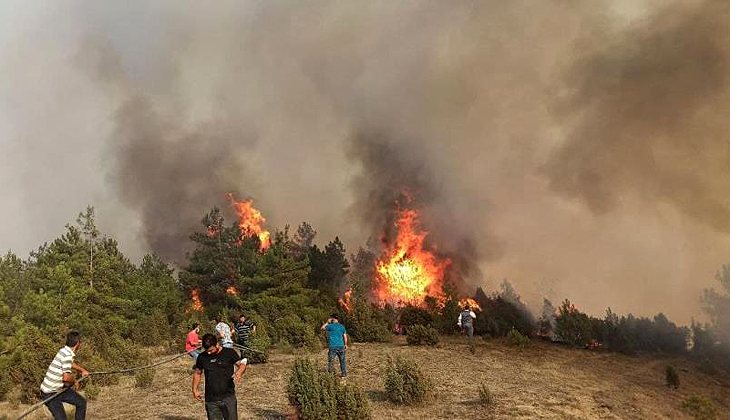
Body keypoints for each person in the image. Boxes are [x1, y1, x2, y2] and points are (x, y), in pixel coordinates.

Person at [192, 333, 247, 420]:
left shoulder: (229, 353)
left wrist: (239, 372)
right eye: (207, 350)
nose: (209, 353)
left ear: (217, 344)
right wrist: (195, 390)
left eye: (211, 350)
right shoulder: (202, 357)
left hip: (228, 397)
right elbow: (197, 373)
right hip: (211, 399)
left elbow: (242, 364)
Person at [39, 330, 90, 420]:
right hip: (50, 394)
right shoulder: (67, 355)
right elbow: (66, 378)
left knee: (81, 402)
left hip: (59, 389)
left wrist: (82, 370)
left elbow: (69, 364)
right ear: (78, 343)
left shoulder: (63, 350)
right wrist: (75, 381)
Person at [321, 313, 348, 378]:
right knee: (342, 361)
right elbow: (345, 337)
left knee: (331, 361)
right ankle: (344, 375)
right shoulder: (342, 326)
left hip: (333, 346)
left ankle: (331, 376)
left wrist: (327, 322)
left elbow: (322, 328)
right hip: (341, 346)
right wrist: (345, 344)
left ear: (333, 318)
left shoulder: (330, 326)